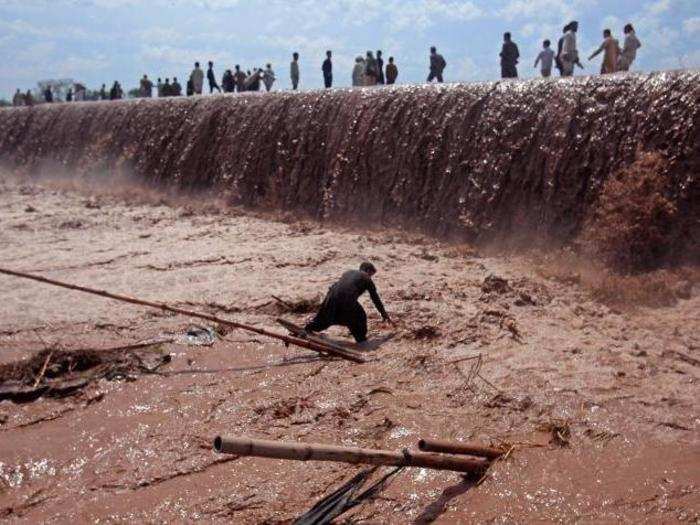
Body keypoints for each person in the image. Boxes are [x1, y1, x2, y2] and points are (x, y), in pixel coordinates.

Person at [305, 262, 392, 344]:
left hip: (331, 296)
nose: (370, 277)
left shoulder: (348, 272)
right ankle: (361, 342)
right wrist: (384, 314)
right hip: (347, 299)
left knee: (326, 319)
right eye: (371, 275)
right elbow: (375, 299)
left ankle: (308, 329)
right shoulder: (366, 278)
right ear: (368, 270)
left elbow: (336, 286)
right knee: (360, 317)